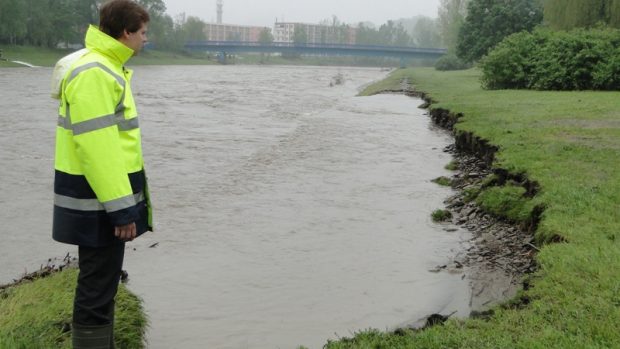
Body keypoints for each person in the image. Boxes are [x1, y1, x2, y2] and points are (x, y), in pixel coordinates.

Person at [51, 1, 152, 347]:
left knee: (103, 285)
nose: (145, 40)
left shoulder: (106, 67)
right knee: (96, 290)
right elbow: (99, 150)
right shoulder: (96, 73)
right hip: (98, 203)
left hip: (99, 200)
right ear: (126, 32)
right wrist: (122, 209)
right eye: (142, 33)